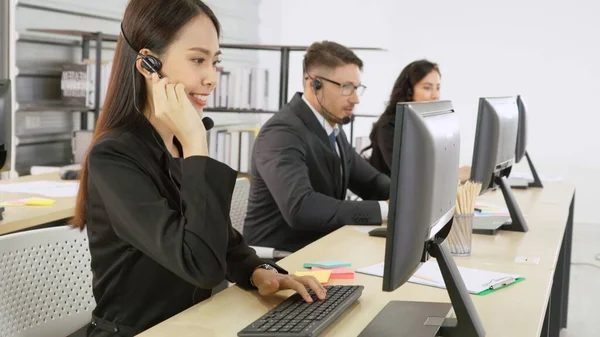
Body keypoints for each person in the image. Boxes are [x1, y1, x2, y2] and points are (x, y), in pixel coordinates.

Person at [70, 1, 325, 335]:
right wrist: (194, 144)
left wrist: (258, 272)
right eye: (198, 60)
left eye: (215, 62)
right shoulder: (115, 157)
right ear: (148, 65)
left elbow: (220, 240)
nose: (211, 78)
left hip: (194, 324)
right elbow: (200, 265)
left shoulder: (176, 144)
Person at [243, 41, 391, 253]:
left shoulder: (332, 130)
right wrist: (386, 209)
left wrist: (406, 198)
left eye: (357, 88)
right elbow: (301, 208)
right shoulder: (282, 133)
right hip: (279, 261)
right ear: (314, 84)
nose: (356, 99)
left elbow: (371, 182)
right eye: (346, 87)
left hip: (320, 249)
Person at [365, 59, 471, 180]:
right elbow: (409, 175)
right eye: (427, 88)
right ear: (409, 91)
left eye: (438, 88)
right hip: (392, 197)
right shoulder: (388, 127)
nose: (435, 95)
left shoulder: (427, 125)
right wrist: (455, 175)